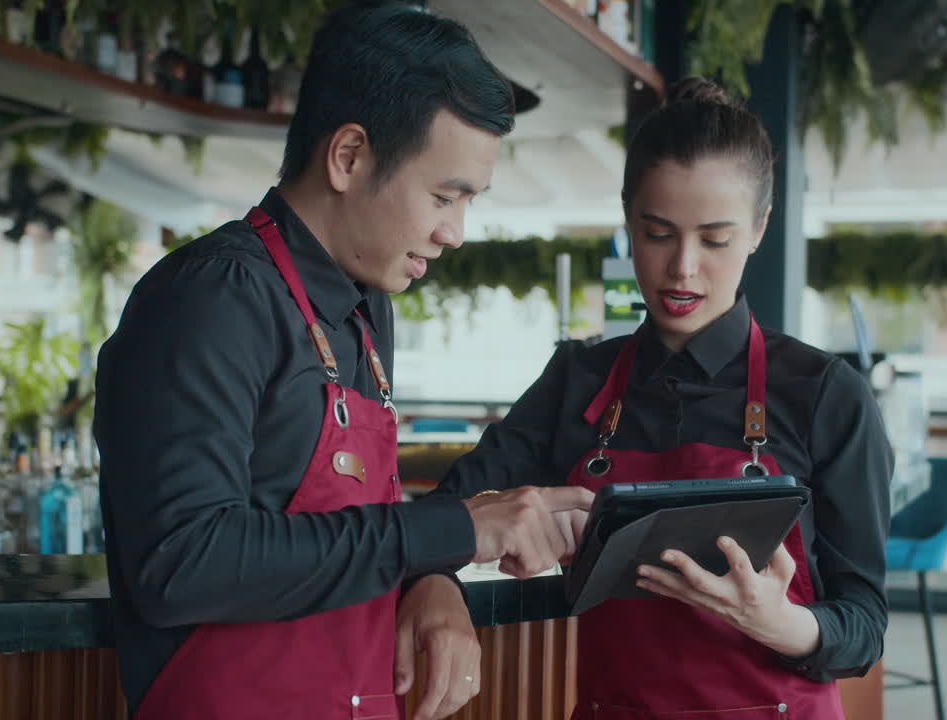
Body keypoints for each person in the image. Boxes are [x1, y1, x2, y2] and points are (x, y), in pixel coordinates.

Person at [93, 3, 592, 719]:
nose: (455, 232)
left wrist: (429, 580)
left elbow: (353, 540)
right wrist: (455, 529)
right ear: (349, 156)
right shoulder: (213, 296)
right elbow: (184, 563)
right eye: (444, 196)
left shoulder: (365, 306)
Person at [430, 77, 894, 719]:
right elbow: (449, 510)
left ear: (759, 228)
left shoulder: (823, 395)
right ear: (628, 222)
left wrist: (776, 621)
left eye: (715, 239)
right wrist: (442, 581)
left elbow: (863, 626)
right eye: (657, 233)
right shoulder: (578, 379)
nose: (682, 268)